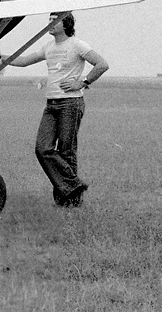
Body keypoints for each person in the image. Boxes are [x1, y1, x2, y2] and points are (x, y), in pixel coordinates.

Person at [9, 12, 108, 207]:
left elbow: (102, 64)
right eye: (49, 20)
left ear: (66, 24)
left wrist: (83, 82)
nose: (50, 24)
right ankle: (74, 187)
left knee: (66, 151)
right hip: (51, 104)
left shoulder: (77, 44)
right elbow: (24, 61)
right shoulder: (48, 47)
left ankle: (69, 201)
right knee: (42, 148)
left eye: (55, 20)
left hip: (70, 103)